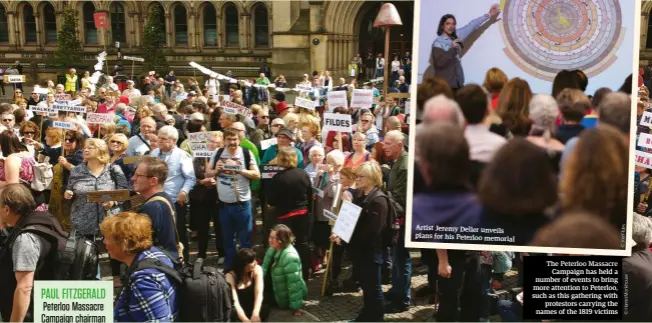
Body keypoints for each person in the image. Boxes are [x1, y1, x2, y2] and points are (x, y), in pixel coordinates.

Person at [331, 161, 388, 322]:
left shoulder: (378, 200)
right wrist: (340, 234)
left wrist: (344, 241)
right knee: (368, 288)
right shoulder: (362, 195)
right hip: (360, 251)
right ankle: (367, 315)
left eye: (361, 176)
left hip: (370, 252)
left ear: (371, 178)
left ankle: (375, 318)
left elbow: (371, 233)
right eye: (358, 175)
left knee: (373, 289)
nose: (358, 179)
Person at [0, 184, 65, 322]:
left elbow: (24, 288)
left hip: (31, 314)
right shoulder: (45, 218)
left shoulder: (26, 239)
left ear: (6, 209)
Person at [102, 212, 179, 322]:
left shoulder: (144, 279)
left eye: (107, 238)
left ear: (125, 242)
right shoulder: (155, 254)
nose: (104, 242)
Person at [205, 128, 260, 270]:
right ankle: (230, 268)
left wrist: (240, 169)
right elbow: (208, 173)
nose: (232, 142)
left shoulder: (246, 153)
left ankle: (246, 267)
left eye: (235, 139)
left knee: (245, 240)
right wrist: (216, 170)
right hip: (224, 205)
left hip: (242, 204)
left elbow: (256, 174)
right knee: (228, 239)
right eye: (229, 139)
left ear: (239, 140)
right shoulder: (217, 154)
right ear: (224, 141)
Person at [149, 126, 196, 261]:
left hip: (174, 201)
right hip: (155, 200)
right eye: (159, 138)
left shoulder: (182, 156)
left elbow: (191, 178)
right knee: (158, 233)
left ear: (174, 140)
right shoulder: (154, 153)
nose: (160, 141)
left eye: (163, 139)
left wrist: (184, 191)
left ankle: (183, 263)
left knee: (177, 235)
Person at [267, 147, 313, 281]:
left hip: (285, 217)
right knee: (302, 244)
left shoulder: (277, 178)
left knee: (285, 246)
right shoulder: (303, 174)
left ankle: (287, 274)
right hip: (302, 214)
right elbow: (310, 195)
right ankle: (305, 273)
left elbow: (271, 200)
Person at [431, 5, 501, 90]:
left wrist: (489, 15)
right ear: (442, 26)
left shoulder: (457, 35)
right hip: (443, 86)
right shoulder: (438, 43)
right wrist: (452, 48)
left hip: (457, 84)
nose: (451, 26)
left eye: (453, 24)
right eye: (448, 23)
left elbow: (471, 25)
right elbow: (440, 63)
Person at [131, 156, 180, 258]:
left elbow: (141, 243)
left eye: (137, 175)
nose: (133, 178)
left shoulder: (153, 207)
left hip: (156, 264)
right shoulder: (164, 199)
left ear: (153, 181)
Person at [262, 224, 308, 316]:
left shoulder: (290, 257)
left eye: (273, 238)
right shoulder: (273, 249)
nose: (270, 240)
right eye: (269, 237)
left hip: (281, 298)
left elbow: (294, 284)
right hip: (271, 290)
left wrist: (295, 307)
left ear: (281, 240)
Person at [227, 248, 269, 322]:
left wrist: (255, 314)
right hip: (239, 307)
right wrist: (245, 320)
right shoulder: (230, 276)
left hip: (253, 306)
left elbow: (259, 293)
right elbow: (235, 301)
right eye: (252, 261)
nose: (256, 262)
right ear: (245, 264)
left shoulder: (257, 269)